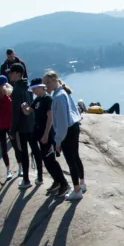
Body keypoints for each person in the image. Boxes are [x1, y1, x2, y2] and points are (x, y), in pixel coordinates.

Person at [44, 70, 86, 202]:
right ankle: (82, 183)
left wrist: (57, 141)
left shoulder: (57, 97)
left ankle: (77, 190)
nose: (46, 86)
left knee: (70, 161)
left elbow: (61, 123)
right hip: (74, 127)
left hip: (67, 131)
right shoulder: (63, 92)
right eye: (45, 84)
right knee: (76, 156)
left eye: (48, 82)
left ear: (56, 80)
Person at [23, 78, 69, 197]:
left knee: (50, 160)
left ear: (40, 87)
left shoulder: (47, 99)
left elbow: (50, 117)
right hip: (39, 133)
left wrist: (46, 135)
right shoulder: (38, 99)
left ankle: (64, 184)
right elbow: (28, 112)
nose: (33, 91)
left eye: (34, 89)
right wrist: (24, 107)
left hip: (47, 135)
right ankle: (57, 181)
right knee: (46, 160)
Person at [8, 63, 35, 189]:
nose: (9, 75)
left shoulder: (16, 90)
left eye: (11, 72)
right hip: (31, 124)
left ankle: (26, 179)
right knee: (35, 150)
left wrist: (12, 130)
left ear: (18, 73)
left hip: (21, 127)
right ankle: (39, 177)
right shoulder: (28, 87)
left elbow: (15, 113)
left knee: (23, 152)